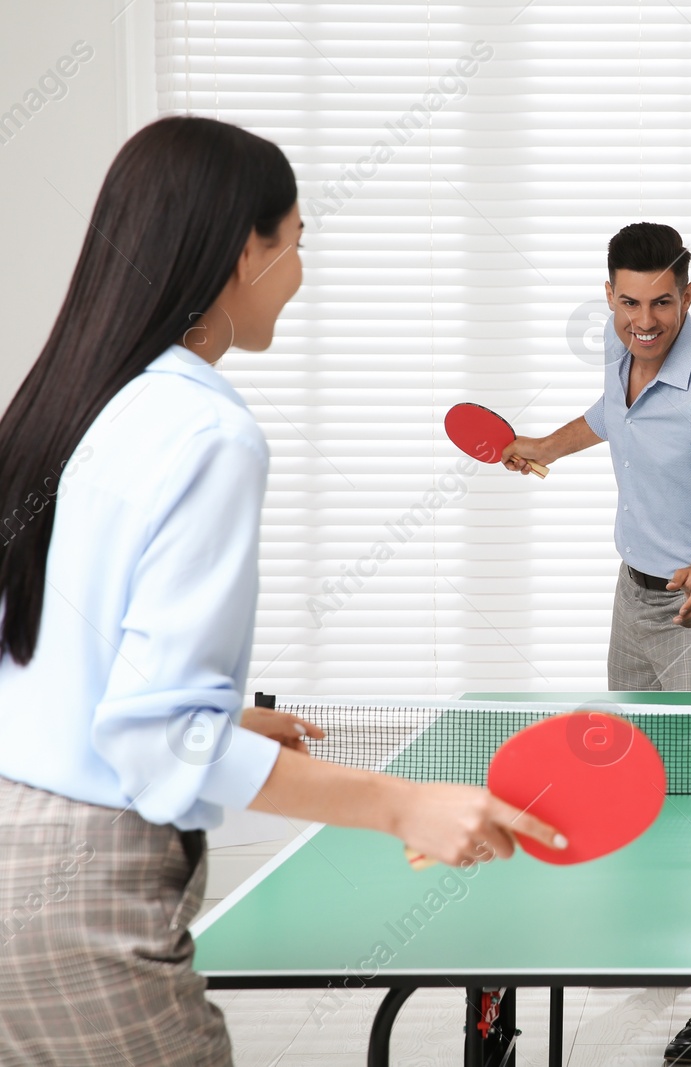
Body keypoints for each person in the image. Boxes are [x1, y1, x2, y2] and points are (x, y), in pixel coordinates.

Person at [0, 117, 561, 1067]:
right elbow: (158, 742)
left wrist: (224, 723)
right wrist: (406, 804)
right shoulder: (208, 429)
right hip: (79, 893)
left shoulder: (77, 398)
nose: (300, 274)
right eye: (294, 244)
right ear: (240, 252)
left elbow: (50, 654)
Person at [502, 223, 691, 1063]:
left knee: (689, 797)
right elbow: (608, 416)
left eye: (661, 302)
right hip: (635, 591)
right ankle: (669, 934)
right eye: (628, 302)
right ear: (609, 296)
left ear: (689, 294)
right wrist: (546, 443)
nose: (644, 320)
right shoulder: (623, 355)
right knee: (633, 772)